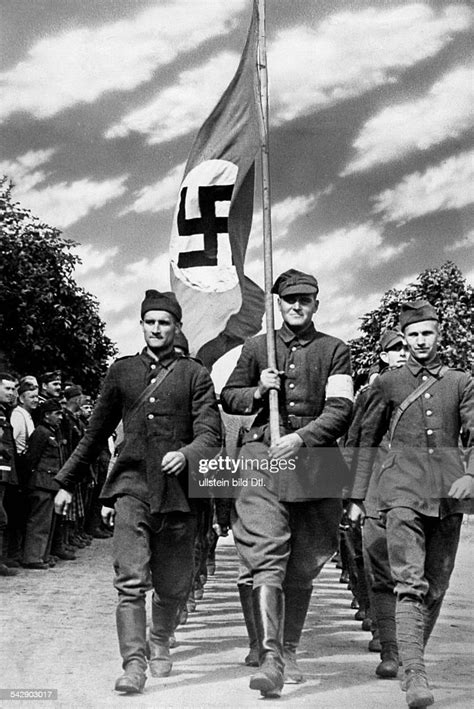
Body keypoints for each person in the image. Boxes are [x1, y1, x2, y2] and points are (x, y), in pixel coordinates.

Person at [54, 290, 222, 694]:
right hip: (132, 488)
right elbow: (95, 434)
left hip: (180, 495)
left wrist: (187, 454)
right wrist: (64, 483)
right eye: (151, 322)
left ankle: (160, 638)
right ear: (142, 325)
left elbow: (211, 435)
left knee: (173, 586)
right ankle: (133, 664)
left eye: (165, 323)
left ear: (177, 327)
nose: (157, 329)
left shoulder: (194, 374)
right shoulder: (122, 372)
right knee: (130, 581)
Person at [220, 269, 353, 697]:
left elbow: (340, 411)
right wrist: (258, 390)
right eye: (289, 300)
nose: (297, 307)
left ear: (317, 303)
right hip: (262, 460)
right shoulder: (259, 347)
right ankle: (271, 656)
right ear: (278, 303)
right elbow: (229, 395)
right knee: (267, 554)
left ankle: (289, 648)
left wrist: (300, 437)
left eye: (305, 300)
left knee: (303, 565)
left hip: (315, 463)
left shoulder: (335, 350)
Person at [348, 300, 473, 708]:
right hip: (399, 491)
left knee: (437, 583)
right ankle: (414, 671)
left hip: (449, 495)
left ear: (440, 335)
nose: (421, 341)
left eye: (428, 333)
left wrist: (471, 475)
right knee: (409, 582)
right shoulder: (387, 384)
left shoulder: (461, 382)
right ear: (404, 338)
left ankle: (410, 655)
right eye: (413, 334)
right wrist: (354, 497)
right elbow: (365, 440)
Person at [346, 329, 407, 674]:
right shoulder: (375, 392)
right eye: (394, 349)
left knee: (417, 576)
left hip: (419, 493)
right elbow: (360, 441)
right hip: (379, 492)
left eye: (404, 348)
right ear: (383, 356)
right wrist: (353, 497)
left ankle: (406, 646)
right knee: (381, 572)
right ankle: (391, 650)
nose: (401, 353)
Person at [23, 400, 65, 569]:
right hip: (41, 484)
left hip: (50, 483)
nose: (60, 417)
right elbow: (31, 459)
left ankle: (42, 555)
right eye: (57, 414)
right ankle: (33, 557)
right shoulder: (41, 433)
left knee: (48, 522)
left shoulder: (52, 432)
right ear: (47, 415)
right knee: (39, 522)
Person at [0, 372, 19, 576]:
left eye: (14, 389)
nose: (12, 393)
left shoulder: (5, 411)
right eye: (7, 388)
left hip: (4, 474)